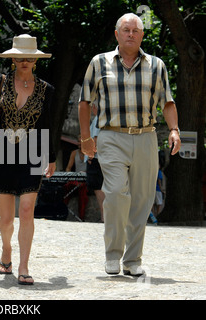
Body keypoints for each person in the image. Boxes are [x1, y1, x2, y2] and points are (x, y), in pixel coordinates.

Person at [79, 13, 181, 276]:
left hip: (146, 136)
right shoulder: (99, 62)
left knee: (143, 201)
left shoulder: (157, 65)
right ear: (117, 34)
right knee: (114, 194)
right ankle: (112, 255)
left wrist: (174, 130)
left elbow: (167, 102)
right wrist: (85, 139)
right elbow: (84, 102)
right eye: (126, 29)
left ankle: (132, 260)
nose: (131, 34)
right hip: (111, 136)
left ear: (142, 36)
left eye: (136, 30)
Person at [0, 34, 56, 285]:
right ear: (13, 59)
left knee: (27, 211)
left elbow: (48, 123)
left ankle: (24, 266)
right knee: (6, 218)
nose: (24, 61)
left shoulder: (46, 89)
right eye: (20, 57)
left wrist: (51, 158)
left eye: (29, 57)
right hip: (3, 152)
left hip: (33, 153)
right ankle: (6, 250)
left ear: (35, 60)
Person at [85, 103, 105, 222]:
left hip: (96, 158)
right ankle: (105, 216)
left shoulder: (98, 119)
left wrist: (91, 155)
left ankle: (104, 216)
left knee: (98, 188)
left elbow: (96, 138)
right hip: (102, 158)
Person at [64, 135, 88, 220]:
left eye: (81, 141)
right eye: (78, 141)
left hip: (86, 180)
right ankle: (62, 211)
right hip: (76, 179)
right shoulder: (74, 153)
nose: (79, 143)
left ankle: (81, 216)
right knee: (66, 187)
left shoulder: (90, 153)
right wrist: (69, 174)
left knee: (83, 191)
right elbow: (68, 168)